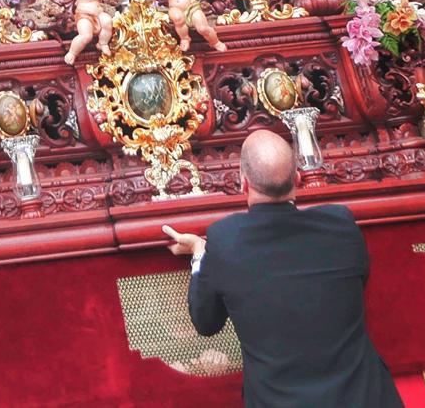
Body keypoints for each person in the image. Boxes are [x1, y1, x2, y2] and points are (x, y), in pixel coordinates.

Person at [163, 129, 400, 407]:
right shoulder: (341, 225)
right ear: (298, 178)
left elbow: (206, 322)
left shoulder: (224, 240)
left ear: (244, 184)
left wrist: (200, 253)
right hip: (366, 398)